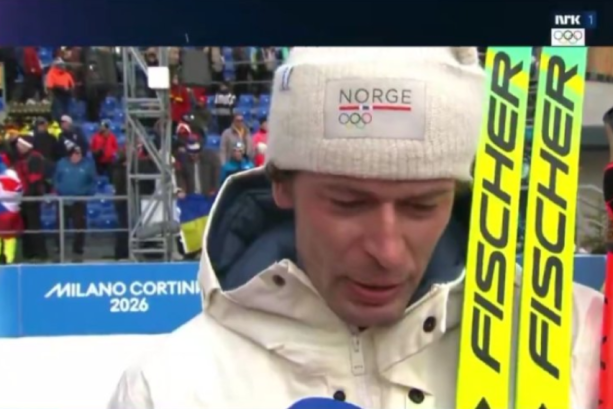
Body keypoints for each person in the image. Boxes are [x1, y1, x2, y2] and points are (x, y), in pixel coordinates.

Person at [108, 48, 602, 409]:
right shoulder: (168, 388)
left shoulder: (579, 340)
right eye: (348, 203)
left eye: (421, 206)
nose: (387, 250)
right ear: (281, 184)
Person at [53, 143, 97, 262]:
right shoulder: (61, 163)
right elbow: (55, 179)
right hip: (63, 200)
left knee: (80, 225)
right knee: (60, 225)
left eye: (79, 154)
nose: (77, 156)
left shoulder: (88, 165)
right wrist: (58, 189)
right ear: (70, 155)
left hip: (79, 200)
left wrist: (88, 192)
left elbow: (93, 181)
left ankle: (78, 249)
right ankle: (59, 247)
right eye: (75, 154)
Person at [14, 135, 47, 262]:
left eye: (20, 144)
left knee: (34, 225)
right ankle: (28, 253)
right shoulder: (22, 158)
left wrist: (28, 196)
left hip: (31, 197)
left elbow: (35, 179)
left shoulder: (34, 158)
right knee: (25, 226)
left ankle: (40, 253)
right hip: (23, 196)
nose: (18, 146)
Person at [0, 158, 23, 264]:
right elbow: (20, 191)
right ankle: (9, 261)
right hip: (13, 211)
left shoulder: (6, 176)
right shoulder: (13, 175)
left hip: (4, 210)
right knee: (10, 237)